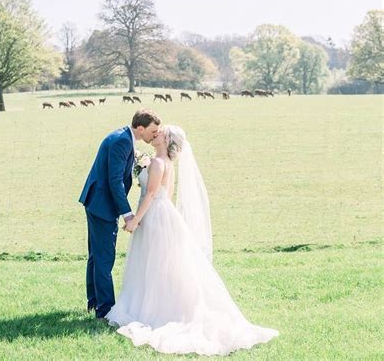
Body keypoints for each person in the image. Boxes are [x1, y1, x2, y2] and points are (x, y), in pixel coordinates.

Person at [106, 125, 279, 355]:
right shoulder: (163, 163)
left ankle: (153, 309)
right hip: (162, 215)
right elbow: (165, 196)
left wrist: (135, 220)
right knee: (160, 264)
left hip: (153, 216)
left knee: (154, 263)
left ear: (167, 142)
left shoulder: (158, 163)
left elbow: (150, 194)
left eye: (162, 133)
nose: (156, 133)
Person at [78, 109, 161, 319]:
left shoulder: (123, 136)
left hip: (96, 201)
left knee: (96, 256)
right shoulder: (122, 141)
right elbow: (115, 181)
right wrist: (128, 214)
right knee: (104, 257)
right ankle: (105, 309)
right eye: (153, 130)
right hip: (102, 205)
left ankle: (94, 301)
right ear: (140, 128)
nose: (154, 134)